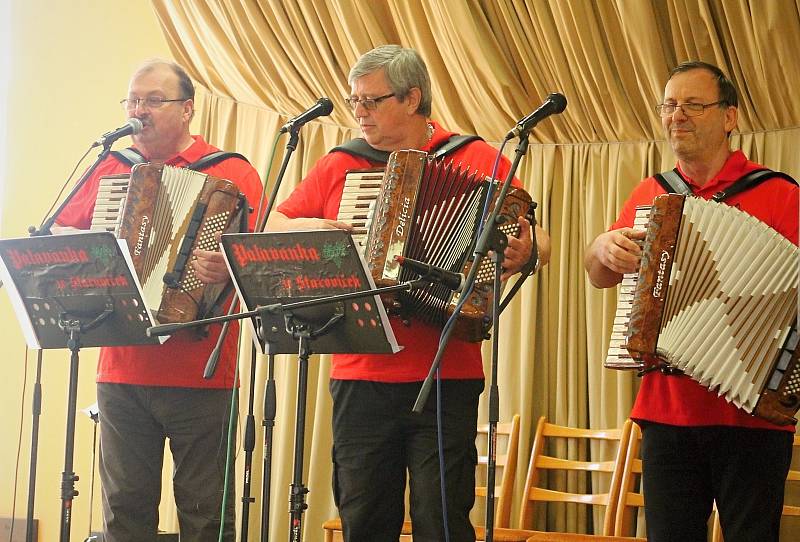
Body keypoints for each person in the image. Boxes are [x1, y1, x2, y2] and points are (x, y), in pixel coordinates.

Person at [267, 45, 551, 542]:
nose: (359, 112)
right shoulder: (341, 164)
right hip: (360, 371)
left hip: (447, 372)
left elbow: (537, 236)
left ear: (413, 97)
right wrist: (320, 226)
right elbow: (274, 221)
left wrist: (528, 251)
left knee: (442, 521)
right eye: (355, 101)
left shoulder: (475, 156)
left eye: (371, 101)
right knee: (364, 520)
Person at [584, 61, 798, 542]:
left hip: (753, 415)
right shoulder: (651, 194)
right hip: (666, 410)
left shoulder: (779, 194)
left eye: (693, 105)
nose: (677, 116)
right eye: (670, 105)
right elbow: (599, 276)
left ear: (729, 117)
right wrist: (601, 247)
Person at [54, 59, 263, 541]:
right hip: (122, 369)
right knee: (124, 512)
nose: (138, 110)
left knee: (206, 512)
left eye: (152, 100)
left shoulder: (230, 170)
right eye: (132, 100)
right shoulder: (112, 167)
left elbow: (260, 257)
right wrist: (95, 252)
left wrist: (226, 266)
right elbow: (61, 232)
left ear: (186, 109)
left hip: (202, 371)